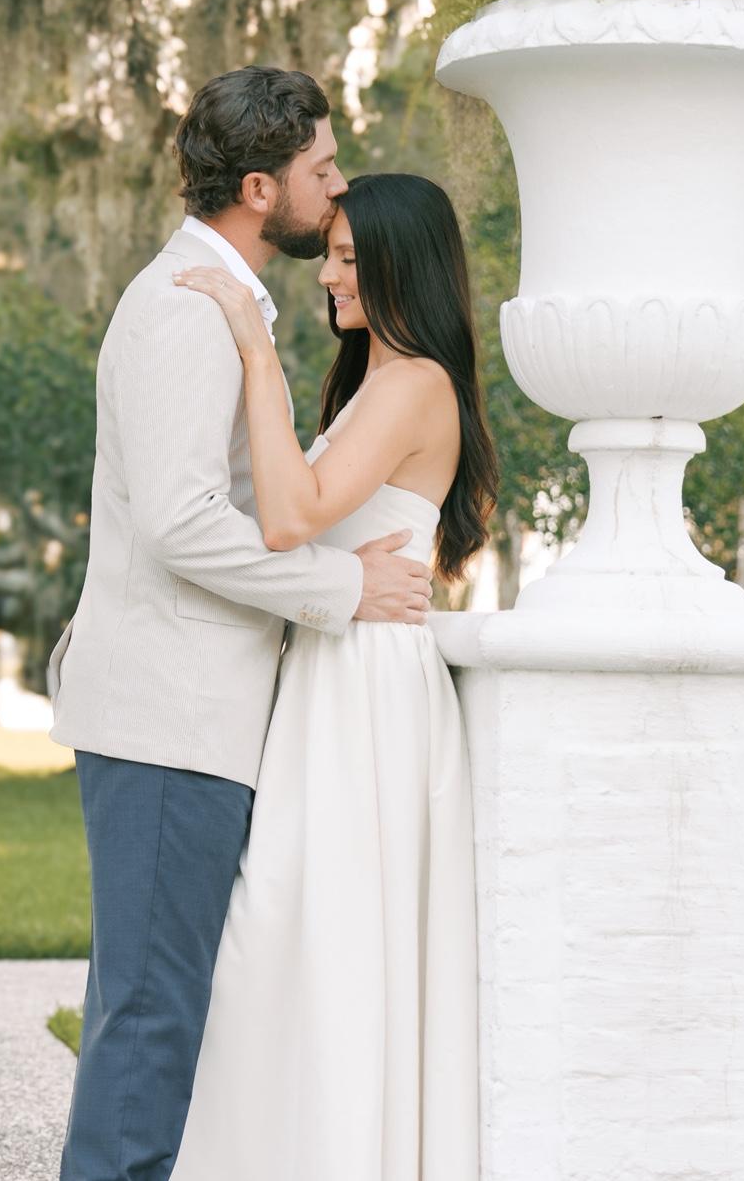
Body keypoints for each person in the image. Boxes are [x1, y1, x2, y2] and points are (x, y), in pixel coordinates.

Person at [49, 68, 434, 1181]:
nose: (338, 186)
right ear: (262, 190)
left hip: (192, 714)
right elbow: (179, 523)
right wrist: (341, 588)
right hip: (169, 714)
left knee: (158, 1009)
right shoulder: (187, 307)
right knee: (151, 1019)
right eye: (323, 168)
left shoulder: (224, 303)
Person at [170, 171, 498, 1180]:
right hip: (335, 669)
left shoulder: (414, 384)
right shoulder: (377, 385)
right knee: (293, 934)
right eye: (334, 256)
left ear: (403, 266)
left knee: (317, 932)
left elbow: (289, 516)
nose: (330, 276)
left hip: (365, 688)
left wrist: (253, 347)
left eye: (352, 259)